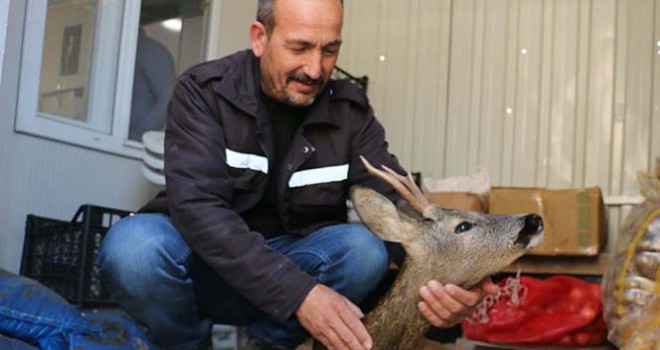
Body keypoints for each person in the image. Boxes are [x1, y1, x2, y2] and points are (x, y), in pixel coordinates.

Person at [99, 0, 498, 349]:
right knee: (133, 248)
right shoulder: (203, 93)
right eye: (300, 47)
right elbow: (199, 211)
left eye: (330, 50)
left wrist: (447, 281)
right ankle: (187, 344)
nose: (315, 68)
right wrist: (300, 294)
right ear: (260, 37)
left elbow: (393, 200)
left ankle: (271, 344)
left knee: (362, 250)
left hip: (295, 262)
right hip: (205, 267)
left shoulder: (349, 110)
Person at [128, 27, 176, 141]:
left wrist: (137, 136)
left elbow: (169, 100)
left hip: (131, 145)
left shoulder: (150, 50)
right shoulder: (116, 48)